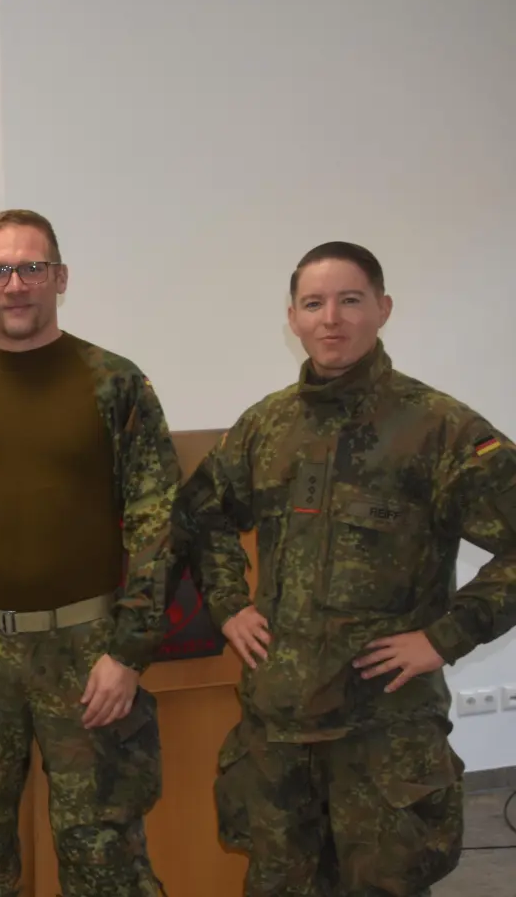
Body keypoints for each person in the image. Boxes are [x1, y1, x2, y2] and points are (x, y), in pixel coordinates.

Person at [174, 241, 516, 896]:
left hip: (382, 732)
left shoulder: (437, 429)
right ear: (294, 320)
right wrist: (227, 604)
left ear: (382, 309)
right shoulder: (267, 426)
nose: (332, 318)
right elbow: (200, 515)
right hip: (279, 730)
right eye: (314, 303)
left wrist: (444, 638)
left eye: (350, 300)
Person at [0, 209, 179, 896]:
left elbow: (157, 522)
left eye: (32, 267)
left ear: (60, 278)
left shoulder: (115, 382)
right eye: (0, 270)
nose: (16, 284)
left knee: (103, 853)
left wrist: (129, 651)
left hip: (91, 649)